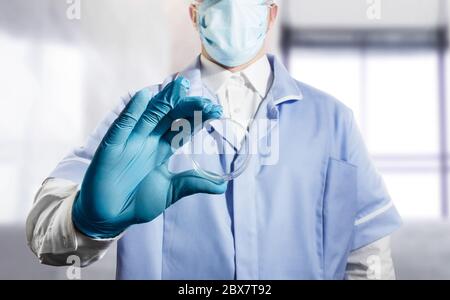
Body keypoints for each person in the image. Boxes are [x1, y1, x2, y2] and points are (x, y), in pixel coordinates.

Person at [26, 0, 401, 280]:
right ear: (195, 15)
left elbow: (368, 254)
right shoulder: (140, 112)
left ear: (270, 15)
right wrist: (87, 221)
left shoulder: (333, 119)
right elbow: (44, 235)